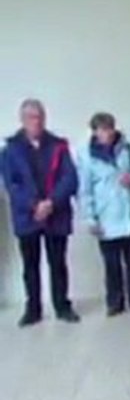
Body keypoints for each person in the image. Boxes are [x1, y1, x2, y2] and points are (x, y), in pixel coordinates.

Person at [1, 99, 80, 326]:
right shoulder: (10, 150)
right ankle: (33, 309)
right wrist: (34, 205)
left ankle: (62, 306)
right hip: (28, 217)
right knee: (31, 266)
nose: (37, 121)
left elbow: (70, 178)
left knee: (58, 264)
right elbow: (11, 184)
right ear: (23, 120)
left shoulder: (58, 145)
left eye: (40, 117)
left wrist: (51, 203)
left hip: (56, 215)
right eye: (32, 117)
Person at [78, 113, 130, 316]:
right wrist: (90, 218)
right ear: (95, 132)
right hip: (106, 218)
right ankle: (115, 302)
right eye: (101, 129)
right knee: (112, 265)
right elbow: (85, 190)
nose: (106, 133)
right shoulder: (87, 156)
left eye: (109, 128)